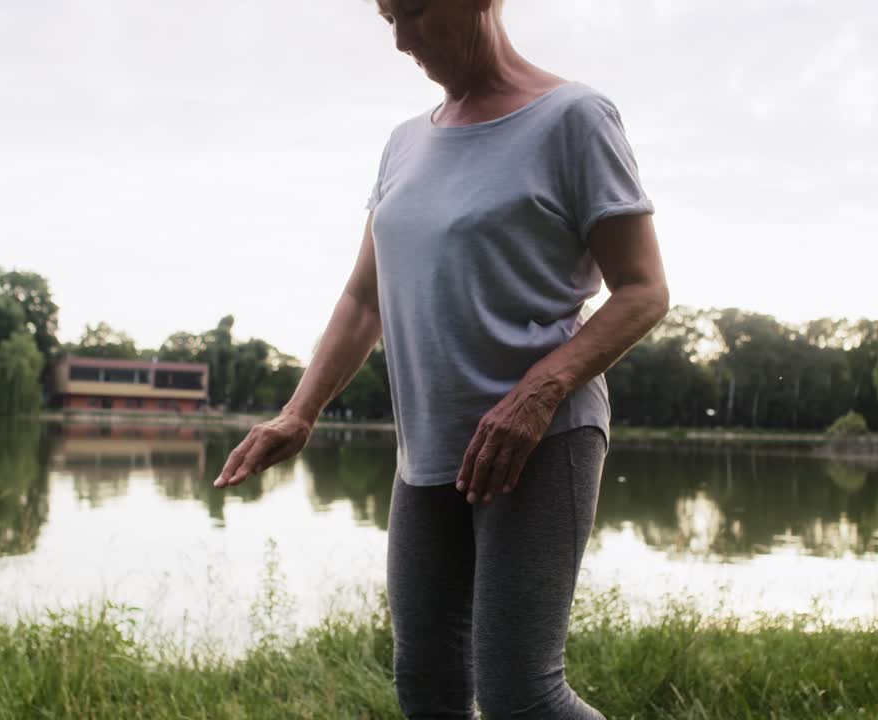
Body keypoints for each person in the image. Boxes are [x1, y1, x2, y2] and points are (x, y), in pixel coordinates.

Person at [214, 0, 669, 716]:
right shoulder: (404, 144)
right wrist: (298, 414)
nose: (401, 40)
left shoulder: (575, 118)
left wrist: (539, 392)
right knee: (425, 685)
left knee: (522, 695)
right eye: (389, 16)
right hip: (426, 453)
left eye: (417, 11)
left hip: (540, 441)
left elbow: (644, 291)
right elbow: (364, 301)